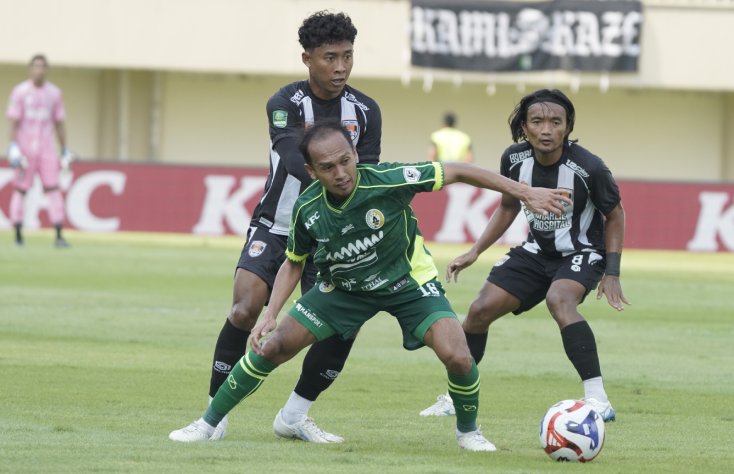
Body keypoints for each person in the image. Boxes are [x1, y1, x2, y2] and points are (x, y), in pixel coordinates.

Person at [169, 121, 569, 450]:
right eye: (327, 167)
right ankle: (207, 424)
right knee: (272, 347)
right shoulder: (308, 209)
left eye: (346, 161)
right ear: (312, 172)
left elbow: (459, 171)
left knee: (459, 356)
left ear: (355, 155)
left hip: (407, 282)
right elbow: (294, 262)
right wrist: (270, 315)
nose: (340, 173)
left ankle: (468, 433)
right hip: (344, 289)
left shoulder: (388, 180)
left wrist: (524, 191)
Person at [203, 11, 382, 444]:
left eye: (347, 57)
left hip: (332, 235)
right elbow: (289, 157)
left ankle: (296, 415)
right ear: (307, 59)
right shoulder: (284, 103)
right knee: (245, 310)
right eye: (329, 58)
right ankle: (215, 414)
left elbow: (370, 171)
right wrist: (338, 182)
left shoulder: (365, 110)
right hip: (277, 224)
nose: (340, 67)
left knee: (340, 326)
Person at [419, 89, 628, 422]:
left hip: (582, 250)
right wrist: (475, 251)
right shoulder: (514, 160)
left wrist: (612, 271)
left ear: (568, 126)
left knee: (560, 300)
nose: (546, 129)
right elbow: (508, 206)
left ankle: (597, 399)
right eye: (537, 121)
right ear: (524, 127)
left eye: (555, 122)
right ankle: (454, 397)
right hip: (536, 251)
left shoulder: (589, 167)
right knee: (478, 311)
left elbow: (615, 214)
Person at [5, 54, 74, 247]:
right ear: (30, 69)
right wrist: (13, 147)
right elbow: (14, 121)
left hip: (47, 149)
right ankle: (18, 235)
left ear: (47, 69)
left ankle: (59, 235)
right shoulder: (19, 92)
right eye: (36, 66)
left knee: (53, 188)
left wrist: (65, 148)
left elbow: (59, 122)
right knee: (20, 190)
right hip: (25, 148)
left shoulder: (54, 93)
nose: (39, 70)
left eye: (43, 67)